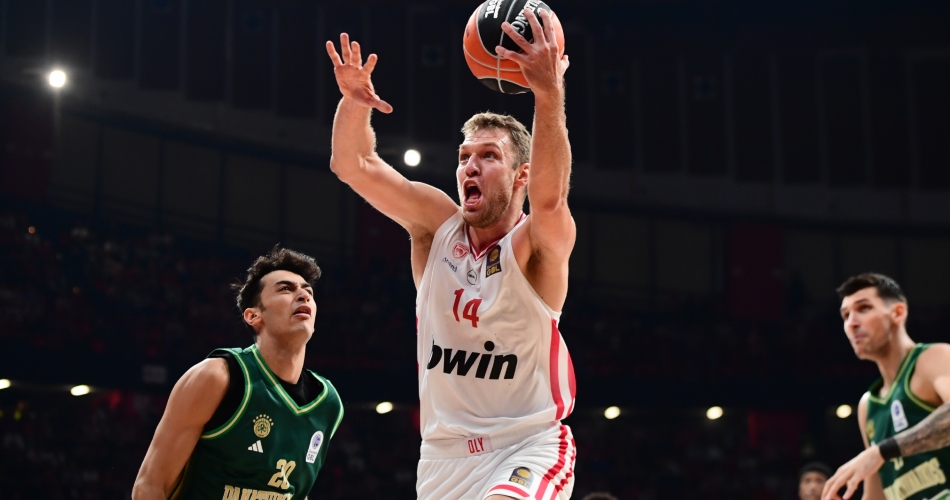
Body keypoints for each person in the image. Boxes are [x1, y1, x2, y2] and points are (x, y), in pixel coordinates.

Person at [325, 7, 576, 500]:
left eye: (489, 156)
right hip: (442, 460)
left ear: (521, 175)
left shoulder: (535, 246)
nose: (470, 167)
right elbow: (352, 164)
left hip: (527, 445)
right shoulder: (435, 226)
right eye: (464, 157)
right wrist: (352, 103)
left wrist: (548, 93)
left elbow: (551, 201)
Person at [132, 247, 343, 500]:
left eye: (308, 292)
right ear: (253, 316)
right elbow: (149, 487)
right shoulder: (216, 377)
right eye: (285, 289)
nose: (303, 295)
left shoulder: (327, 403)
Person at [822, 273, 950, 500]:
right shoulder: (868, 406)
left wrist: (882, 451)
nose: (851, 323)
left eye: (864, 308)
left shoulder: (934, 357)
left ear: (897, 313)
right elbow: (876, 496)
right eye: (845, 315)